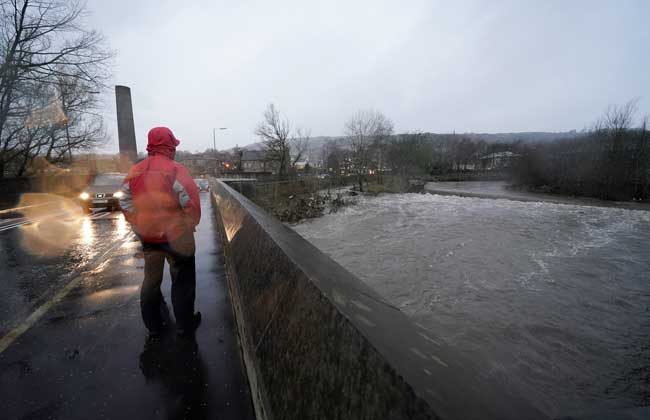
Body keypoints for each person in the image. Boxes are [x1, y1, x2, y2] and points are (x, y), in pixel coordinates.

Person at [119, 127, 202, 338]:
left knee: (151, 280)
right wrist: (189, 224)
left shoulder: (135, 171)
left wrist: (138, 224)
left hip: (148, 237)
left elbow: (124, 202)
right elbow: (190, 203)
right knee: (182, 282)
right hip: (177, 237)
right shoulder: (175, 170)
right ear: (169, 146)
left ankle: (154, 324)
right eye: (173, 145)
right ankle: (185, 324)